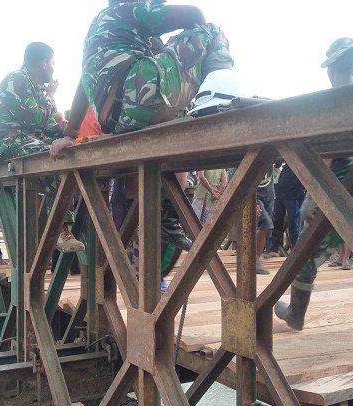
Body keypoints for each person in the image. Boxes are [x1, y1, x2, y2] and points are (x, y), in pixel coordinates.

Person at [49, 1, 233, 250]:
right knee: (211, 30)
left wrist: (70, 133)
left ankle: (168, 219)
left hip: (119, 119)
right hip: (137, 95)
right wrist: (201, 57)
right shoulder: (130, 7)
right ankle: (220, 96)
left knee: (174, 140)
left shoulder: (105, 36)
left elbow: (82, 84)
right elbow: (194, 14)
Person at [275, 37, 353, 355]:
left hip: (339, 194)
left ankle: (296, 314)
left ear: (331, 69)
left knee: (306, 254)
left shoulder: (333, 103)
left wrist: (312, 196)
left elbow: (328, 158)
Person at [0, 42, 83, 253]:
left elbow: (49, 125)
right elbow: (35, 118)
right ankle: (61, 229)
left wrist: (70, 133)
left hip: (27, 137)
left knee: (66, 149)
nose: (54, 69)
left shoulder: (35, 87)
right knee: (55, 159)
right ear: (44, 62)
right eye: (53, 63)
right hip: (6, 140)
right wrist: (50, 96)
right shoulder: (17, 79)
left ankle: (56, 226)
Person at [267, 163, 305, 256]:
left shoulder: (303, 164)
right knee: (277, 221)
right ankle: (274, 249)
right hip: (280, 194)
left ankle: (296, 251)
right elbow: (277, 164)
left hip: (293, 196)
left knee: (294, 224)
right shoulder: (287, 163)